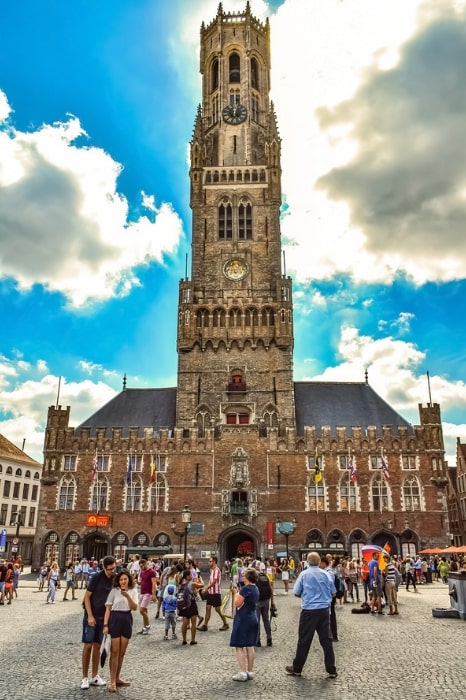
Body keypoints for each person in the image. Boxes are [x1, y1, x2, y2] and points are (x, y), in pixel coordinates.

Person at [286, 552, 337, 679]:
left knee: (304, 640)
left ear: (307, 562)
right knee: (326, 640)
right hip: (324, 611)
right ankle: (331, 669)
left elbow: (296, 593)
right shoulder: (326, 574)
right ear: (319, 561)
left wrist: (308, 595)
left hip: (309, 611)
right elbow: (334, 593)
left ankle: (297, 668)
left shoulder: (304, 574)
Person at [81, 555, 116, 690]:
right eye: (110, 569)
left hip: (104, 618)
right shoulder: (96, 577)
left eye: (114, 568)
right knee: (88, 645)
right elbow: (87, 597)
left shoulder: (115, 578)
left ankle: (95, 676)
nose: (113, 571)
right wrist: (90, 616)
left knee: (97, 646)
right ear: (104, 568)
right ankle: (84, 677)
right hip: (91, 615)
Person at [103, 569, 138, 692]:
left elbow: (134, 607)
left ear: (129, 580)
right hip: (115, 619)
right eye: (121, 579)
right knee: (115, 651)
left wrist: (127, 595)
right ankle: (112, 681)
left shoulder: (133, 591)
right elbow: (108, 609)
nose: (123, 581)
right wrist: (105, 625)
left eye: (125, 579)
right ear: (118, 581)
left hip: (127, 619)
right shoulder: (113, 592)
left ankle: (117, 677)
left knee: (122, 652)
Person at [229, 568, 259, 681]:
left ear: (247, 578)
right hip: (253, 617)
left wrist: (236, 593)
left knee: (239, 645)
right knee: (250, 645)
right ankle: (250, 671)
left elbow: (237, 604)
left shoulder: (245, 589)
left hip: (243, 618)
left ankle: (242, 672)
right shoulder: (256, 588)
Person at [198, 555, 229, 632]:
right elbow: (210, 582)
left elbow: (214, 582)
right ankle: (205, 625)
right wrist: (207, 589)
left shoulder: (217, 570)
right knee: (208, 608)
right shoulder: (212, 570)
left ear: (214, 562)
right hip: (210, 593)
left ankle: (226, 623)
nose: (209, 562)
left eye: (210, 561)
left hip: (216, 593)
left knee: (218, 609)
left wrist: (206, 588)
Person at [178, 569, 203, 645]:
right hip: (191, 604)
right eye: (191, 575)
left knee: (184, 623)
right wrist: (200, 579)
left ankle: (184, 640)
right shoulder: (192, 584)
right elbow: (202, 585)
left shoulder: (181, 584)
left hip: (184, 605)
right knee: (193, 623)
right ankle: (193, 640)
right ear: (187, 576)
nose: (192, 576)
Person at [254, 562, 273, 647]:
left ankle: (257, 641)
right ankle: (269, 638)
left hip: (257, 602)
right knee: (266, 620)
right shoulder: (266, 576)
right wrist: (272, 602)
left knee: (257, 621)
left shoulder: (254, 578)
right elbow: (271, 589)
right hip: (266, 601)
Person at [320, 554, 338, 642]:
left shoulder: (329, 572)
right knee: (328, 615)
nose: (319, 565)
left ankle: (334, 635)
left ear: (324, 563)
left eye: (320, 563)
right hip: (328, 596)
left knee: (331, 616)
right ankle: (329, 634)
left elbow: (330, 586)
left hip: (330, 596)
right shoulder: (325, 571)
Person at [137, 558, 158, 635]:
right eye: (140, 566)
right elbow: (142, 581)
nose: (141, 568)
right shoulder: (143, 572)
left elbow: (154, 583)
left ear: (146, 564)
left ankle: (148, 626)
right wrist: (138, 582)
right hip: (142, 592)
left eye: (142, 566)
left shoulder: (152, 572)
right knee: (144, 610)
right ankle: (145, 627)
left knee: (142, 610)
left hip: (148, 593)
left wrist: (154, 594)